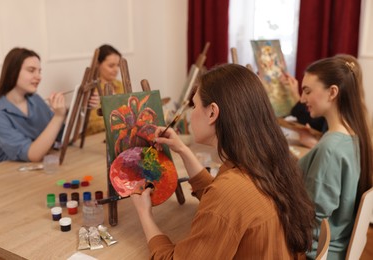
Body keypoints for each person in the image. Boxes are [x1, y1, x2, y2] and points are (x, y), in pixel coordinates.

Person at [131, 64, 316, 259]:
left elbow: (224, 202)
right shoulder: (269, 161)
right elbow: (221, 199)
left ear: (212, 113)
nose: (190, 114)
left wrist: (145, 215)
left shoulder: (230, 192)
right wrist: (183, 150)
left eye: (194, 105)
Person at [297, 56, 373, 259]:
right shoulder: (355, 137)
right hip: (337, 246)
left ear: (332, 92)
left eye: (307, 91)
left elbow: (314, 223)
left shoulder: (330, 149)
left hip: (319, 253)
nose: (302, 99)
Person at [0, 47, 99, 163]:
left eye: (39, 71)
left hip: (40, 168)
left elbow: (63, 137)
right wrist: (58, 116)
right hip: (9, 175)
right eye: (31, 70)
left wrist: (83, 108)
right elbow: (31, 155)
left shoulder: (35, 99)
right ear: (13, 72)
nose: (38, 77)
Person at [86, 44, 124, 135]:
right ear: (98, 64)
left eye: (118, 65)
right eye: (111, 66)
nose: (116, 70)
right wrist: (122, 122)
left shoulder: (120, 85)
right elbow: (94, 125)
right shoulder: (92, 90)